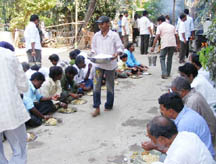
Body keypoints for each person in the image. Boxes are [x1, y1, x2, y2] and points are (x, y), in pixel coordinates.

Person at [142, 92, 215, 158]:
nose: (161, 112)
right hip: (197, 153)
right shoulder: (184, 112)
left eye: (162, 109)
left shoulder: (184, 125)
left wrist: (154, 146)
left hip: (200, 157)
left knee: (159, 157)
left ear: (171, 111)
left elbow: (176, 151)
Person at [0, 42, 30, 164]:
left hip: (8, 108)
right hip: (9, 108)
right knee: (19, 149)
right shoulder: (8, 55)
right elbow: (23, 86)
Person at [145, 116, 215, 164]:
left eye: (151, 138)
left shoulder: (175, 158)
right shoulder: (188, 135)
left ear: (162, 139)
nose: (151, 142)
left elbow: (177, 157)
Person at [91, 15, 124, 117]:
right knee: (96, 86)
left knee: (110, 86)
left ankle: (109, 105)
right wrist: (92, 54)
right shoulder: (96, 35)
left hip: (110, 64)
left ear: (107, 24)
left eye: (102, 23)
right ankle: (96, 107)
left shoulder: (114, 35)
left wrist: (116, 54)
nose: (100, 25)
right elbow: (93, 48)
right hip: (98, 64)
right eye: (99, 24)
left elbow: (120, 48)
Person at [171, 76, 216, 146]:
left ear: (183, 91)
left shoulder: (192, 101)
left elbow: (187, 123)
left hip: (207, 136)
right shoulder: (193, 94)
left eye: (175, 92)